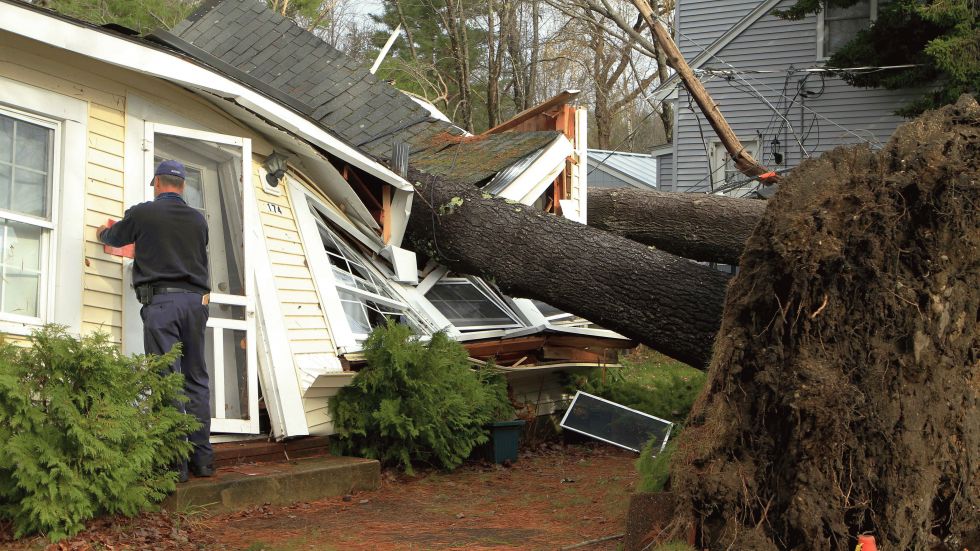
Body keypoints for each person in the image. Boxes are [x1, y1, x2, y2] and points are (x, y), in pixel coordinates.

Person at [97, 160, 213, 482]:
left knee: (166, 378)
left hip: (162, 302)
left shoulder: (143, 213)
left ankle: (175, 464)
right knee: (195, 379)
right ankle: (203, 460)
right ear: (183, 186)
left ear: (157, 184)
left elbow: (117, 237)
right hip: (196, 303)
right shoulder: (198, 220)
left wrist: (102, 232)